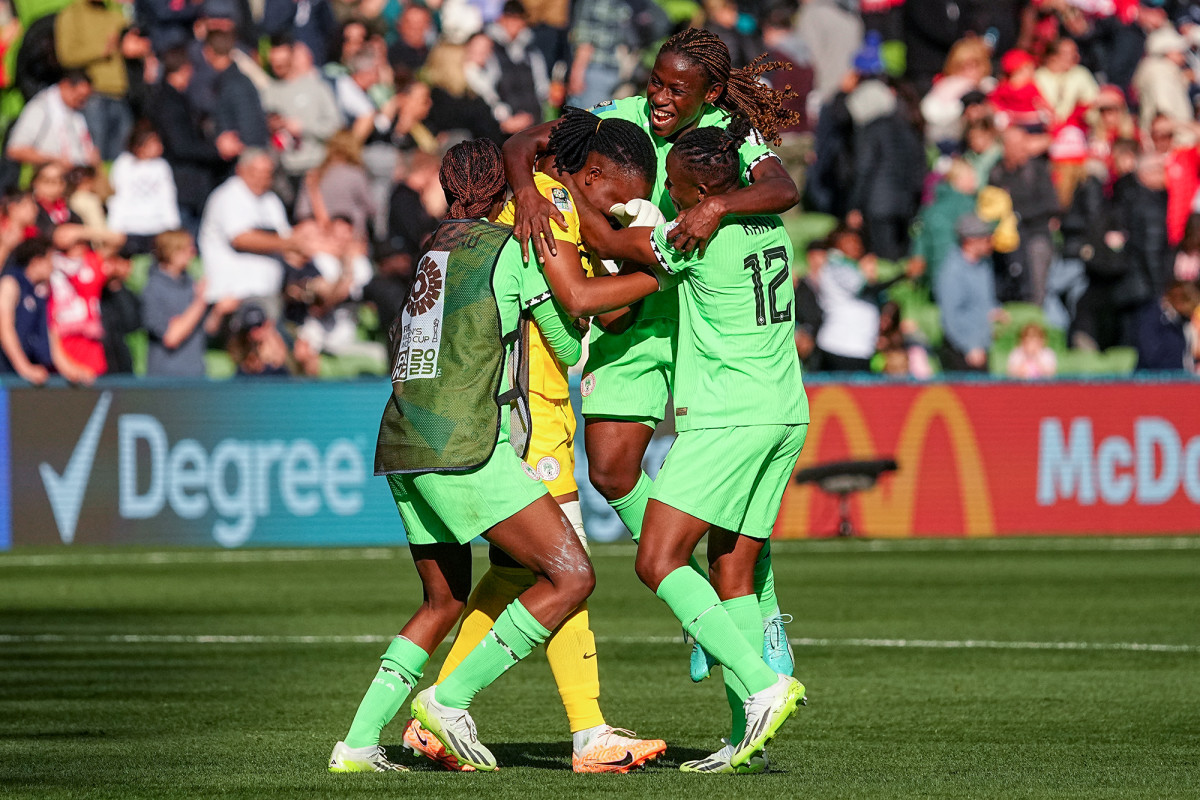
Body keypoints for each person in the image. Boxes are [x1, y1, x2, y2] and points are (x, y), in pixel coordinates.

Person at [328, 138, 661, 773]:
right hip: (467, 444)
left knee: (443, 601)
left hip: (400, 441)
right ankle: (449, 702)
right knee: (571, 575)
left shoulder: (432, 248)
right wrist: (654, 273)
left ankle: (358, 744)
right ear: (504, 193)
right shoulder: (510, 249)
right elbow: (568, 342)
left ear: (447, 191)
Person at [502, 29, 802, 685]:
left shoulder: (729, 134)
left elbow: (783, 189)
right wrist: (526, 189)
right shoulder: (618, 118)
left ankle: (761, 615)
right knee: (611, 471)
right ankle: (697, 602)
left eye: (676, 89)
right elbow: (523, 143)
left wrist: (717, 204)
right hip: (633, 301)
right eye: (656, 83)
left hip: (699, 311)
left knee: (729, 492)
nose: (660, 98)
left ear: (711, 94)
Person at [561, 118, 808, 774]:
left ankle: (763, 685)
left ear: (701, 192)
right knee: (732, 570)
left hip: (729, 418)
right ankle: (746, 738)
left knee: (656, 559)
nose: (666, 194)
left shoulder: (695, 237)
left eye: (673, 185)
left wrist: (561, 189)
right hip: (786, 412)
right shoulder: (770, 226)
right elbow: (776, 184)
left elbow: (607, 248)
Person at [198, 149, 308, 318]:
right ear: (241, 170)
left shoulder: (271, 200)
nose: (263, 177)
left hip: (270, 292)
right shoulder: (228, 196)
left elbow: (288, 242)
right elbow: (241, 239)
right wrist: (289, 243)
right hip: (235, 295)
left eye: (268, 173)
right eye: (257, 172)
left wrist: (303, 248)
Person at [143, 230, 236, 377]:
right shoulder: (153, 288)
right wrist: (200, 302)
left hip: (196, 374)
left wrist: (219, 311)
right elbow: (171, 337)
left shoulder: (190, 283)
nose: (192, 253)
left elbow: (206, 330)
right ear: (172, 251)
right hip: (166, 378)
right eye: (187, 249)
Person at [0, 236, 92, 384]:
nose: (53, 267)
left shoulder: (41, 292)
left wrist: (71, 370)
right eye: (50, 260)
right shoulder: (10, 284)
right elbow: (5, 329)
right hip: (5, 375)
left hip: (25, 375)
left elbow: (50, 336)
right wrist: (24, 368)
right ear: (36, 261)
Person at [937, 213, 1001, 372]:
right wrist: (969, 346)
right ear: (970, 241)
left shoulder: (983, 265)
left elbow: (983, 302)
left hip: (983, 345)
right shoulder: (952, 272)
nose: (991, 242)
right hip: (964, 353)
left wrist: (994, 311)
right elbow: (950, 316)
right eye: (986, 238)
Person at [107, 120, 181, 255]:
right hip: (129, 228)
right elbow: (119, 196)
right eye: (154, 143)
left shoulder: (162, 167)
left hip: (157, 229)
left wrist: (173, 227)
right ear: (139, 147)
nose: (159, 146)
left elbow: (168, 198)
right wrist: (114, 227)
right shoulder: (123, 164)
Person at [5, 70, 97, 170]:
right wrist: (54, 160)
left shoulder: (76, 114)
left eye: (85, 98)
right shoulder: (40, 108)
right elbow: (15, 150)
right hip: (51, 173)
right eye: (79, 97)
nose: (82, 103)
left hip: (80, 173)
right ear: (65, 85)